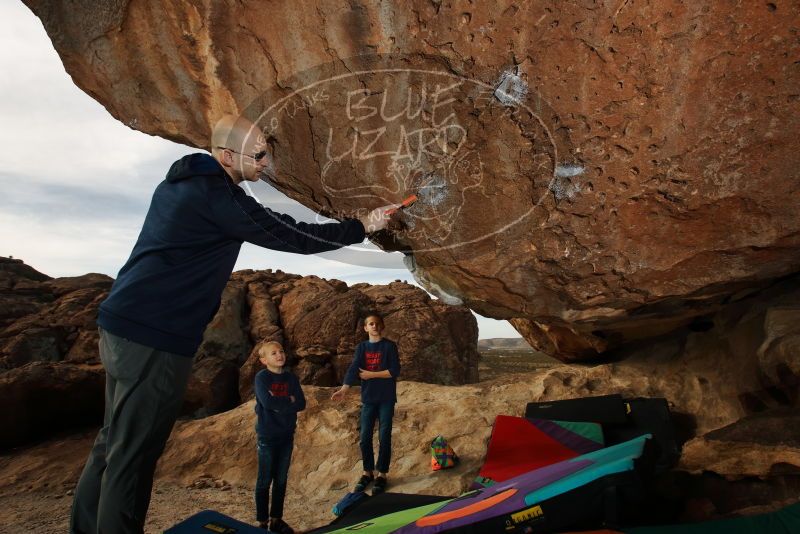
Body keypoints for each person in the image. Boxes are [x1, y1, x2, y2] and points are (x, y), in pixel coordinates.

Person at [70, 114, 397, 534]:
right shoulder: (216, 194)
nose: (266, 162)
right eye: (258, 154)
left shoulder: (181, 184)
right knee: (134, 455)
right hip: (155, 335)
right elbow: (289, 234)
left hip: (122, 324)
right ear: (227, 155)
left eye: (267, 152)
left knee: (112, 442)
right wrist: (362, 226)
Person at [331, 313, 400, 495]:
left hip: (386, 398)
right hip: (368, 398)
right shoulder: (362, 347)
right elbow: (354, 367)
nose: (374, 326)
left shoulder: (389, 346)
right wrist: (345, 388)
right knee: (365, 436)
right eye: (371, 324)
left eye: (377, 323)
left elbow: (394, 371)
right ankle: (367, 472)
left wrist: (371, 375)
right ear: (365, 328)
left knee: (384, 436)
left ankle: (382, 474)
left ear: (382, 326)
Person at [253, 341, 305, 534]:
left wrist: (279, 401)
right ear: (264, 360)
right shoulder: (262, 378)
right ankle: (261, 521)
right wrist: (287, 400)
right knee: (264, 480)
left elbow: (301, 403)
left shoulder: (291, 378)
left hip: (286, 435)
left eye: (281, 351)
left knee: (281, 480)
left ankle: (276, 520)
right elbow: (266, 402)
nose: (279, 355)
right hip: (267, 435)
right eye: (273, 353)